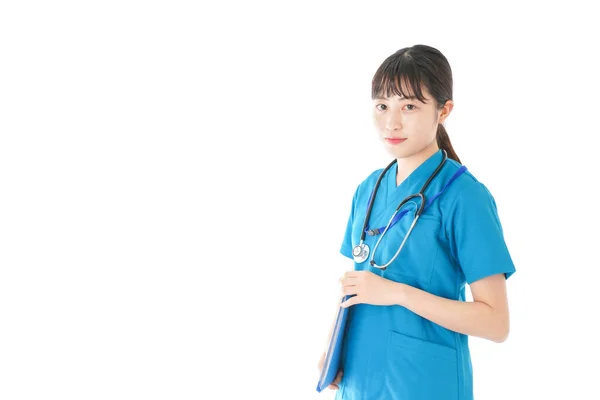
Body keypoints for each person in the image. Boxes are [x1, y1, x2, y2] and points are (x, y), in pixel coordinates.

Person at [317, 44, 516, 400]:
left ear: (444, 110)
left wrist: (396, 293)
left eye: (409, 106)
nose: (391, 122)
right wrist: (334, 350)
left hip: (424, 382)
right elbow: (356, 284)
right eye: (382, 106)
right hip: (360, 377)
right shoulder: (368, 189)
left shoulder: (465, 197)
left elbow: (495, 323)